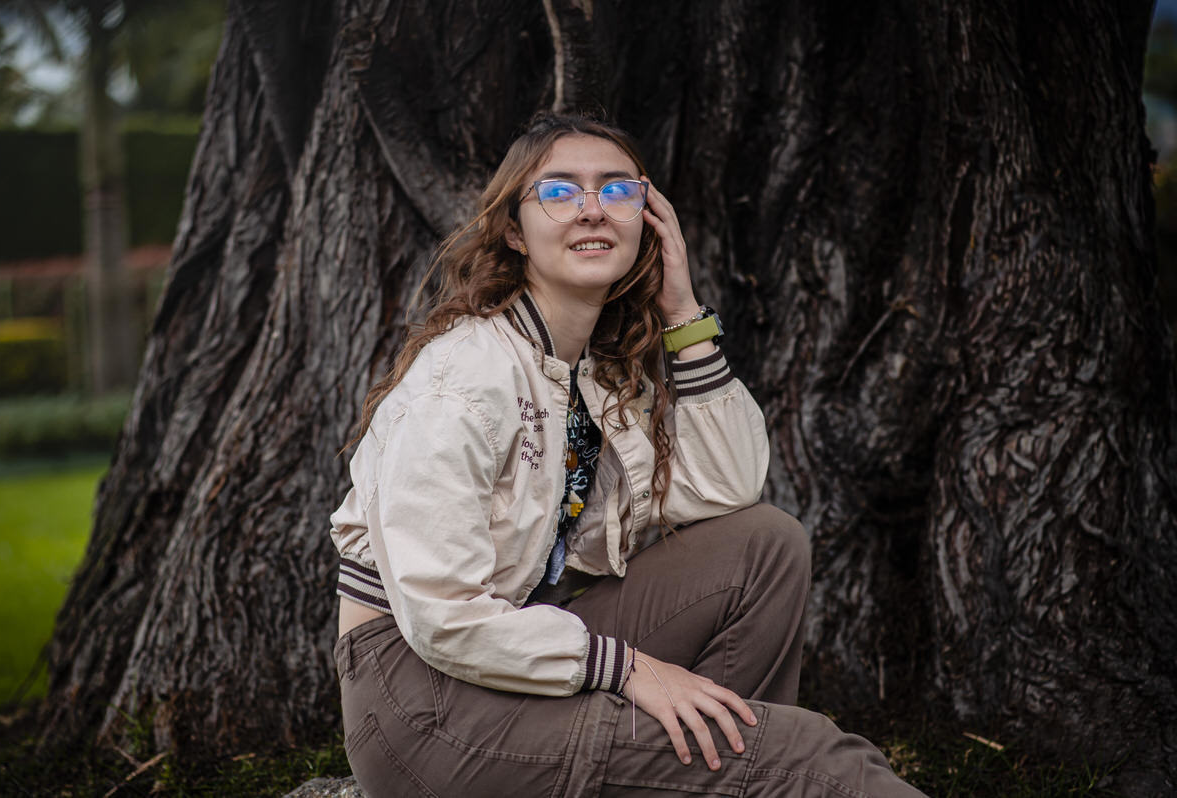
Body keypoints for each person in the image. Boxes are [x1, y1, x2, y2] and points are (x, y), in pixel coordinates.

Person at [330, 113, 926, 797]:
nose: (591, 209)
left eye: (617, 191)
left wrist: (683, 310)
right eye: (559, 192)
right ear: (516, 232)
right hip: (422, 706)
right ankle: (754, 769)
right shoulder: (463, 381)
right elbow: (444, 614)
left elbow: (731, 489)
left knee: (764, 546)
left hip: (502, 654)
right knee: (810, 759)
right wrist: (629, 668)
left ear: (648, 219)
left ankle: (714, 771)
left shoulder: (586, 374)